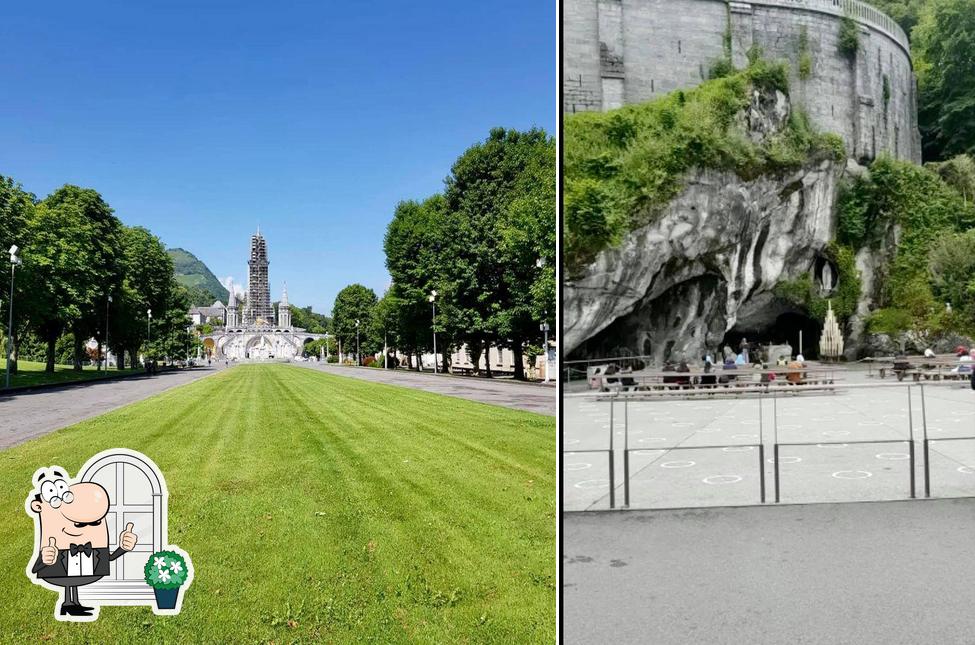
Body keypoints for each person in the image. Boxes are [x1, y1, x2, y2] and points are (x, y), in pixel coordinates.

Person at [26, 469, 138, 617]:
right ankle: (68, 604)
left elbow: (108, 558)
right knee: (68, 581)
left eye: (96, 522)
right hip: (60, 568)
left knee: (72, 582)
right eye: (79, 524)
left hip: (83, 570)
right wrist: (45, 560)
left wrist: (123, 547)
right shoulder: (53, 544)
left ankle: (72, 604)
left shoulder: (94, 547)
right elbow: (36, 569)